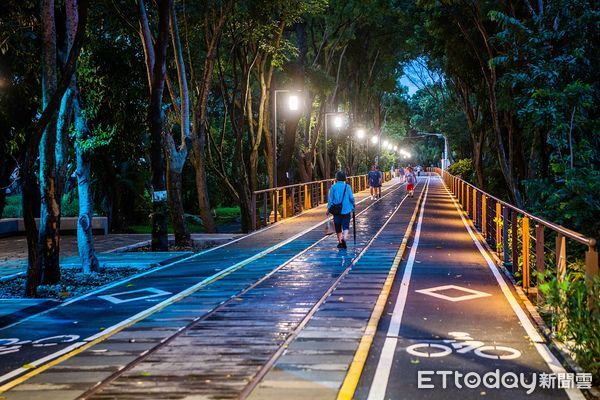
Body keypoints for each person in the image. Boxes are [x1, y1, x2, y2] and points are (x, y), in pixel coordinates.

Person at [327, 171, 355, 249]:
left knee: (338, 226)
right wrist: (353, 204)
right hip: (346, 209)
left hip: (336, 210)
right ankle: (344, 239)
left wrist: (328, 209)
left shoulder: (333, 187)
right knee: (346, 226)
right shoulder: (347, 187)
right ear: (344, 178)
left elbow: (330, 199)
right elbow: (351, 198)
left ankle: (340, 242)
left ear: (336, 178)